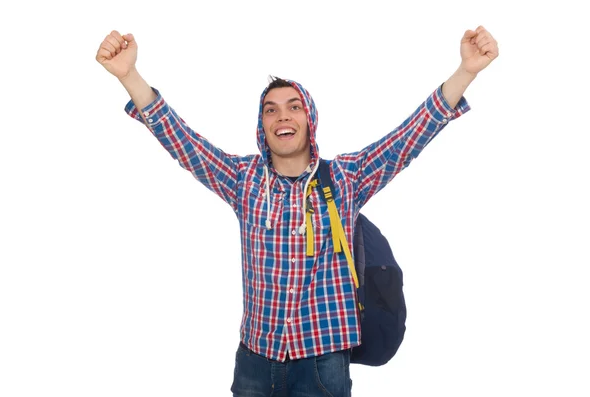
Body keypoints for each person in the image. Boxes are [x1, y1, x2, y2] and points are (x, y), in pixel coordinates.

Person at [95, 26, 499, 396]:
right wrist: (128, 75)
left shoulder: (345, 179)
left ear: (310, 119)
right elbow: (179, 138)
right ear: (262, 124)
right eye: (271, 109)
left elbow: (408, 137)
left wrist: (466, 71)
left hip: (324, 362)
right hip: (255, 359)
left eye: (293, 107)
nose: (282, 115)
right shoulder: (243, 180)